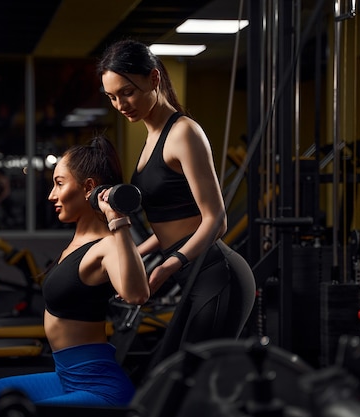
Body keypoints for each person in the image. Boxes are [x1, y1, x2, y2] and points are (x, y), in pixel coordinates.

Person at [0, 135, 150, 416]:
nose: (51, 194)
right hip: (65, 377)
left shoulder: (108, 245)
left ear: (88, 187)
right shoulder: (79, 239)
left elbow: (137, 294)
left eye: (59, 184)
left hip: (98, 388)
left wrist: (118, 221)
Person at [98, 39, 256, 367]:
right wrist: (131, 255)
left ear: (154, 79)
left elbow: (215, 220)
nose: (120, 104)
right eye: (112, 97)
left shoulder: (184, 132)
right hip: (194, 276)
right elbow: (174, 223)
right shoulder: (151, 138)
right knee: (166, 374)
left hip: (218, 275)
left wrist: (166, 267)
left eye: (126, 92)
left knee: (190, 380)